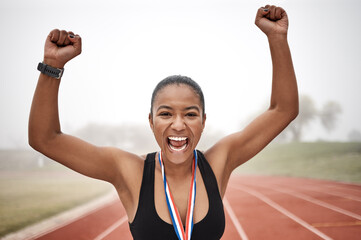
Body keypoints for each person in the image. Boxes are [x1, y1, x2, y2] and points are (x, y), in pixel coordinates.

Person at [29, 5, 298, 240]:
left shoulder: (218, 164)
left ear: (204, 121)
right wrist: (52, 65)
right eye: (166, 114)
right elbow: (45, 139)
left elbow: (283, 110)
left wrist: (277, 37)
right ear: (151, 121)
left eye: (191, 114)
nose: (179, 125)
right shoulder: (129, 172)